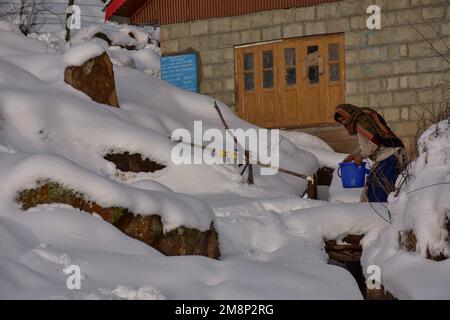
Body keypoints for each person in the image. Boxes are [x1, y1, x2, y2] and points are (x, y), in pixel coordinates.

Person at [334, 104, 406, 202]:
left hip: (390, 155)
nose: (343, 123)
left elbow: (375, 142)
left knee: (379, 190)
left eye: (343, 119)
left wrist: (361, 156)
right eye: (340, 121)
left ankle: (379, 214)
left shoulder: (362, 122)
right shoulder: (359, 122)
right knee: (374, 187)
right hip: (385, 156)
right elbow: (365, 145)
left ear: (347, 114)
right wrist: (353, 155)